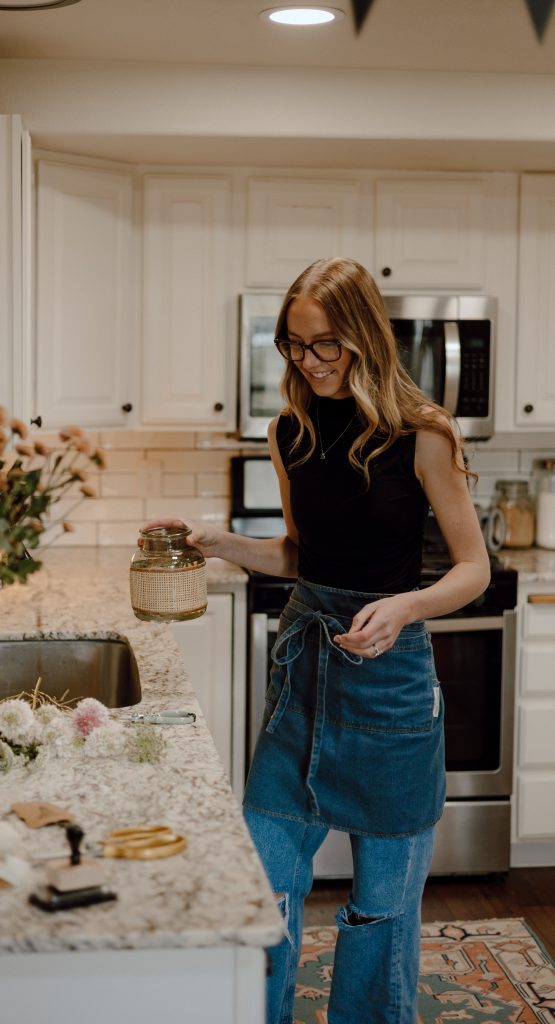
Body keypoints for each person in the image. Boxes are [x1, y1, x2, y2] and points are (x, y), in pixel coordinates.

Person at [143, 256, 490, 1024]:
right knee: (264, 883)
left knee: (380, 907)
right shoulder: (288, 431)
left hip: (389, 678)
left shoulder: (422, 436)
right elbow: (303, 555)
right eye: (295, 345)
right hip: (304, 677)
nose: (309, 362)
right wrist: (221, 541)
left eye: (325, 344)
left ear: (364, 339)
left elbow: (472, 568)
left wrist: (404, 606)